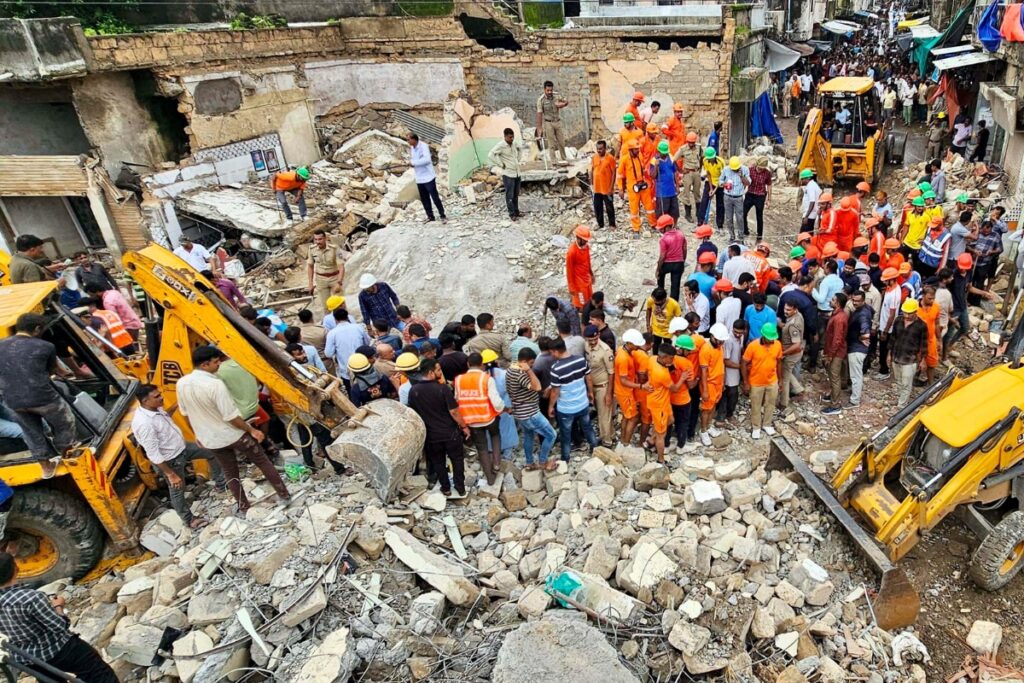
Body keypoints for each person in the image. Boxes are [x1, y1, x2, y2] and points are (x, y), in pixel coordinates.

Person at [177, 346, 289, 513]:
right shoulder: (215, 384)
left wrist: (197, 434)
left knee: (230, 472)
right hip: (232, 434)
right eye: (216, 362)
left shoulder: (182, 383)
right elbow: (230, 416)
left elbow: (185, 413)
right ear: (205, 364)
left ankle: (243, 506)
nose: (219, 364)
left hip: (211, 440)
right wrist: (251, 430)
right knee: (262, 461)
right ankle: (284, 494)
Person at [0, 552, 119, 682]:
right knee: (97, 671)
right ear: (16, 569)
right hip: (59, 649)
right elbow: (60, 626)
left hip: (28, 659)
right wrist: (58, 606)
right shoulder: (31, 598)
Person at [132, 384, 225, 529]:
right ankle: (189, 520)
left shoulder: (155, 409)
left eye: (160, 394)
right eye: (157, 396)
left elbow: (164, 419)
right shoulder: (144, 423)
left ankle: (221, 484)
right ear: (145, 401)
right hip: (171, 460)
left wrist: (177, 404)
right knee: (177, 490)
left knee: (212, 452)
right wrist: (170, 474)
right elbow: (153, 454)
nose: (161, 397)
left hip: (182, 447)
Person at [0, 314, 76, 479]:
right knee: (65, 422)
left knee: (30, 432)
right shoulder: (46, 346)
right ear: (37, 329)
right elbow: (51, 371)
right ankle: (67, 454)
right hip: (43, 398)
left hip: (13, 401)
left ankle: (47, 468)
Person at [407, 359, 468, 497]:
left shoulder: (414, 391)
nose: (441, 372)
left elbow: (413, 414)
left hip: (431, 435)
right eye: (438, 370)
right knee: (457, 460)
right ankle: (460, 487)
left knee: (438, 461)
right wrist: (464, 427)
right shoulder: (443, 389)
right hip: (450, 433)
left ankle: (445, 488)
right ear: (430, 372)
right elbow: (454, 412)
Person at [455, 352, 504, 485]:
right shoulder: (486, 379)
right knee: (495, 436)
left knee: (481, 448)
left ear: (468, 364)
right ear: (482, 364)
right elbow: (496, 401)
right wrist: (501, 409)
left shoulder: (459, 380)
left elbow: (457, 399)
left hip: (472, 421)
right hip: (489, 417)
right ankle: (497, 463)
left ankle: (490, 478)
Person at [507, 347, 557, 471]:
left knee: (528, 436)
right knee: (551, 435)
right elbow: (537, 386)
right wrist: (529, 370)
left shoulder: (510, 369)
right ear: (524, 361)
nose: (533, 365)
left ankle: (529, 462)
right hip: (530, 413)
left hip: (520, 413)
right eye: (531, 363)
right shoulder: (520, 373)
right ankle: (543, 461)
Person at [548, 338, 598, 462]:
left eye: (551, 353)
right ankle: (595, 447)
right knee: (587, 427)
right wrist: (590, 393)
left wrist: (550, 406)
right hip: (582, 404)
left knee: (566, 434)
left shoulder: (556, 369)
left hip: (566, 409)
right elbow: (589, 378)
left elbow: (555, 391)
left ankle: (565, 458)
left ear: (556, 351)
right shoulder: (580, 360)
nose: (551, 355)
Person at [742, 322, 782, 440]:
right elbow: (744, 363)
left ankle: (767, 424)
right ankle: (756, 427)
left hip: (772, 380)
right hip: (756, 382)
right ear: (763, 336)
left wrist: (780, 380)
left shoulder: (777, 345)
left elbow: (779, 362)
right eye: (770, 339)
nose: (772, 341)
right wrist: (745, 382)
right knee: (756, 405)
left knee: (770, 403)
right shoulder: (753, 346)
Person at [890, 299, 928, 408]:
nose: (906, 315)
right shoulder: (898, 320)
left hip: (910, 359)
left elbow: (924, 344)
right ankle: (899, 398)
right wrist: (889, 354)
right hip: (897, 356)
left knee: (906, 384)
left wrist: (923, 361)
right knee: (898, 380)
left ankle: (901, 406)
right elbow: (893, 338)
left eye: (909, 313)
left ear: (915, 312)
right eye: (905, 313)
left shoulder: (921, 326)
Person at [583, 324, 615, 447]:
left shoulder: (606, 351)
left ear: (599, 335)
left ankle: (606, 441)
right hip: (592, 387)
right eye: (590, 340)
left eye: (595, 340)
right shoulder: (586, 346)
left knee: (603, 416)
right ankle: (610, 434)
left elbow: (611, 373)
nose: (592, 343)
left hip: (603, 386)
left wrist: (609, 394)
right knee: (603, 414)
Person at [325, 307, 373, 389]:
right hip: (364, 365)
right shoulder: (358, 327)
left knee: (353, 394)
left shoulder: (332, 333)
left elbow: (328, 353)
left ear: (335, 319)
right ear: (347, 317)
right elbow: (367, 342)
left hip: (347, 371)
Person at [697, 323, 727, 446]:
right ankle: (703, 430)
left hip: (718, 383)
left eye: (722, 342)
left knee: (713, 406)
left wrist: (723, 382)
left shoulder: (720, 347)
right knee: (706, 409)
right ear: (712, 337)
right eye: (719, 341)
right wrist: (704, 390)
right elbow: (703, 371)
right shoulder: (706, 350)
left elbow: (721, 364)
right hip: (709, 383)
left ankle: (709, 426)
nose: (721, 344)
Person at [618, 138, 655, 235]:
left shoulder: (640, 155)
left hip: (642, 183)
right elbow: (619, 175)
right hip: (632, 186)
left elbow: (642, 168)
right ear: (630, 150)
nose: (638, 150)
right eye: (636, 149)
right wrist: (620, 189)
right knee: (634, 209)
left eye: (638, 149)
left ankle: (653, 223)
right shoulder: (624, 159)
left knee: (649, 206)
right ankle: (636, 228)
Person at [408, 133, 446, 222]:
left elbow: (427, 160)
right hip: (419, 178)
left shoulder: (423, 146)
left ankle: (442, 215)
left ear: (414, 139)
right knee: (424, 199)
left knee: (435, 197)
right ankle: (430, 216)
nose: (408, 141)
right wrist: (412, 163)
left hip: (428, 177)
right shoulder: (412, 148)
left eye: (409, 139)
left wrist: (413, 163)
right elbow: (415, 160)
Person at [821, 292, 849, 414]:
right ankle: (833, 395)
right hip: (833, 350)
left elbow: (837, 339)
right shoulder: (837, 315)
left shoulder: (839, 318)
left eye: (832, 299)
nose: (830, 301)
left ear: (837, 303)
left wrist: (830, 355)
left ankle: (835, 404)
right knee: (832, 375)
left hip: (836, 352)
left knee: (834, 377)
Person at [488, 128, 523, 220]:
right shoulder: (501, 145)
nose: (512, 139)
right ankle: (511, 214)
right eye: (510, 137)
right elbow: (490, 155)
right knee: (509, 195)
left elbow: (520, 149)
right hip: (508, 174)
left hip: (517, 173)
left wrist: (518, 159)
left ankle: (516, 211)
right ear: (505, 136)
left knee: (516, 194)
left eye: (513, 137)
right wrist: (500, 164)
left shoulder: (514, 143)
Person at [306, 230, 344, 312]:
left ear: (325, 238)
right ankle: (330, 324)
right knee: (326, 307)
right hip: (321, 279)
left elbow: (341, 266)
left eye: (320, 239)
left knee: (339, 305)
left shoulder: (334, 248)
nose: (317, 242)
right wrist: (310, 284)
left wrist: (339, 282)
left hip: (334, 278)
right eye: (315, 239)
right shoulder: (312, 249)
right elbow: (310, 266)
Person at [846, 290, 872, 407]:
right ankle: (854, 394)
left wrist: (862, 337)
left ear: (863, 301)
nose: (855, 303)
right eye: (853, 300)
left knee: (856, 376)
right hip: (857, 347)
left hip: (857, 348)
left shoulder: (862, 314)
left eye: (858, 301)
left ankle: (855, 400)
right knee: (856, 374)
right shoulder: (865, 309)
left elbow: (866, 332)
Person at [779, 300, 805, 411]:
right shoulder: (799, 316)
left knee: (785, 378)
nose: (786, 311)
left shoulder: (793, 324)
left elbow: (796, 344)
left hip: (791, 353)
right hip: (794, 352)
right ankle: (798, 389)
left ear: (795, 309)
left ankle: (784, 403)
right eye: (785, 309)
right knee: (788, 372)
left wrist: (783, 353)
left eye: (789, 310)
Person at [719, 319, 746, 423]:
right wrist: (741, 367)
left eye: (740, 332)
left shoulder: (741, 337)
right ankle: (725, 416)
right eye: (735, 332)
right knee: (730, 395)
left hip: (735, 373)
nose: (738, 334)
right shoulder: (729, 341)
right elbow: (726, 361)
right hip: (729, 374)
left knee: (731, 395)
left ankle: (726, 414)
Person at [536, 80, 569, 161]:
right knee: (551, 144)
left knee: (561, 142)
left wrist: (563, 104)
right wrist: (539, 129)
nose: (550, 92)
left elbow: (566, 101)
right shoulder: (541, 100)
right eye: (548, 90)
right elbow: (539, 115)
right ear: (544, 90)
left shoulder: (557, 96)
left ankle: (564, 159)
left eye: (551, 90)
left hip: (557, 121)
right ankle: (554, 162)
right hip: (548, 123)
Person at [719, 156, 750, 242]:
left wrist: (741, 176)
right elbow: (720, 181)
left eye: (736, 169)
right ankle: (732, 236)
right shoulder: (726, 170)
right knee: (729, 218)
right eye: (733, 169)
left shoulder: (745, 169)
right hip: (728, 196)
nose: (734, 170)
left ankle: (741, 237)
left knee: (739, 218)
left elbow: (748, 183)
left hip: (738, 197)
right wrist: (725, 185)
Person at [645, 287, 682, 355]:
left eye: (657, 303)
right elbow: (648, 310)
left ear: (664, 299)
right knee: (655, 350)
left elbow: (678, 318)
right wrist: (648, 326)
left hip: (668, 333)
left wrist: (676, 333)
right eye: (654, 302)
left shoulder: (674, 304)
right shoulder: (651, 300)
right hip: (655, 330)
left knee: (667, 352)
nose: (655, 303)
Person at [566, 225, 595, 312]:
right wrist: (571, 287)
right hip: (579, 284)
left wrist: (591, 274)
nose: (586, 241)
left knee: (589, 298)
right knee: (582, 303)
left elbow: (588, 261)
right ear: (578, 238)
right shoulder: (571, 252)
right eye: (584, 240)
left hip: (586, 279)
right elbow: (569, 271)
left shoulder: (586, 247)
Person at [676, 132, 703, 223]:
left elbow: (702, 157)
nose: (691, 144)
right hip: (687, 173)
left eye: (693, 142)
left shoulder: (699, 147)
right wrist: (680, 171)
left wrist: (700, 168)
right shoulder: (683, 149)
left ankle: (698, 213)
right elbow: (674, 160)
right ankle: (688, 214)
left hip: (696, 172)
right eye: (689, 142)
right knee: (686, 194)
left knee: (697, 194)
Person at [650, 140, 680, 221]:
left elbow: (675, 172)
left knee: (674, 211)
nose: (665, 154)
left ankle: (674, 226)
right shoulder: (654, 160)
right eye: (663, 152)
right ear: (659, 151)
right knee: (662, 211)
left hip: (672, 190)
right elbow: (653, 176)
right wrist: (656, 166)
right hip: (662, 191)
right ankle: (662, 227)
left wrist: (677, 186)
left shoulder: (670, 157)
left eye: (666, 152)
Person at [590, 140, 617, 229]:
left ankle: (612, 224)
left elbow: (613, 173)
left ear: (605, 148)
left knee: (609, 207)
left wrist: (611, 187)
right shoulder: (594, 157)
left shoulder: (610, 158)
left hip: (607, 188)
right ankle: (600, 224)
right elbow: (592, 170)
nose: (599, 150)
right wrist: (591, 184)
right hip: (597, 188)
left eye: (601, 149)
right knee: (597, 207)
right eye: (598, 149)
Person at [743, 157, 772, 240]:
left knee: (759, 216)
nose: (760, 170)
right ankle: (745, 230)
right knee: (743, 213)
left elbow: (769, 185)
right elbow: (745, 181)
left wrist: (769, 199)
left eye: (762, 168)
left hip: (760, 196)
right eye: (759, 168)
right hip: (750, 194)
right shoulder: (750, 170)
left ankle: (759, 236)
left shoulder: (767, 173)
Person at [698, 147, 726, 231]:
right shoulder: (705, 161)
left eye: (712, 158)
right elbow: (708, 174)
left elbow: (722, 177)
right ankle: (700, 222)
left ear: (715, 156)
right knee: (704, 201)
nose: (710, 160)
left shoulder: (721, 162)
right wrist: (710, 188)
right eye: (709, 159)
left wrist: (714, 190)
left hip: (720, 183)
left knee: (720, 204)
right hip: (710, 181)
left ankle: (720, 225)